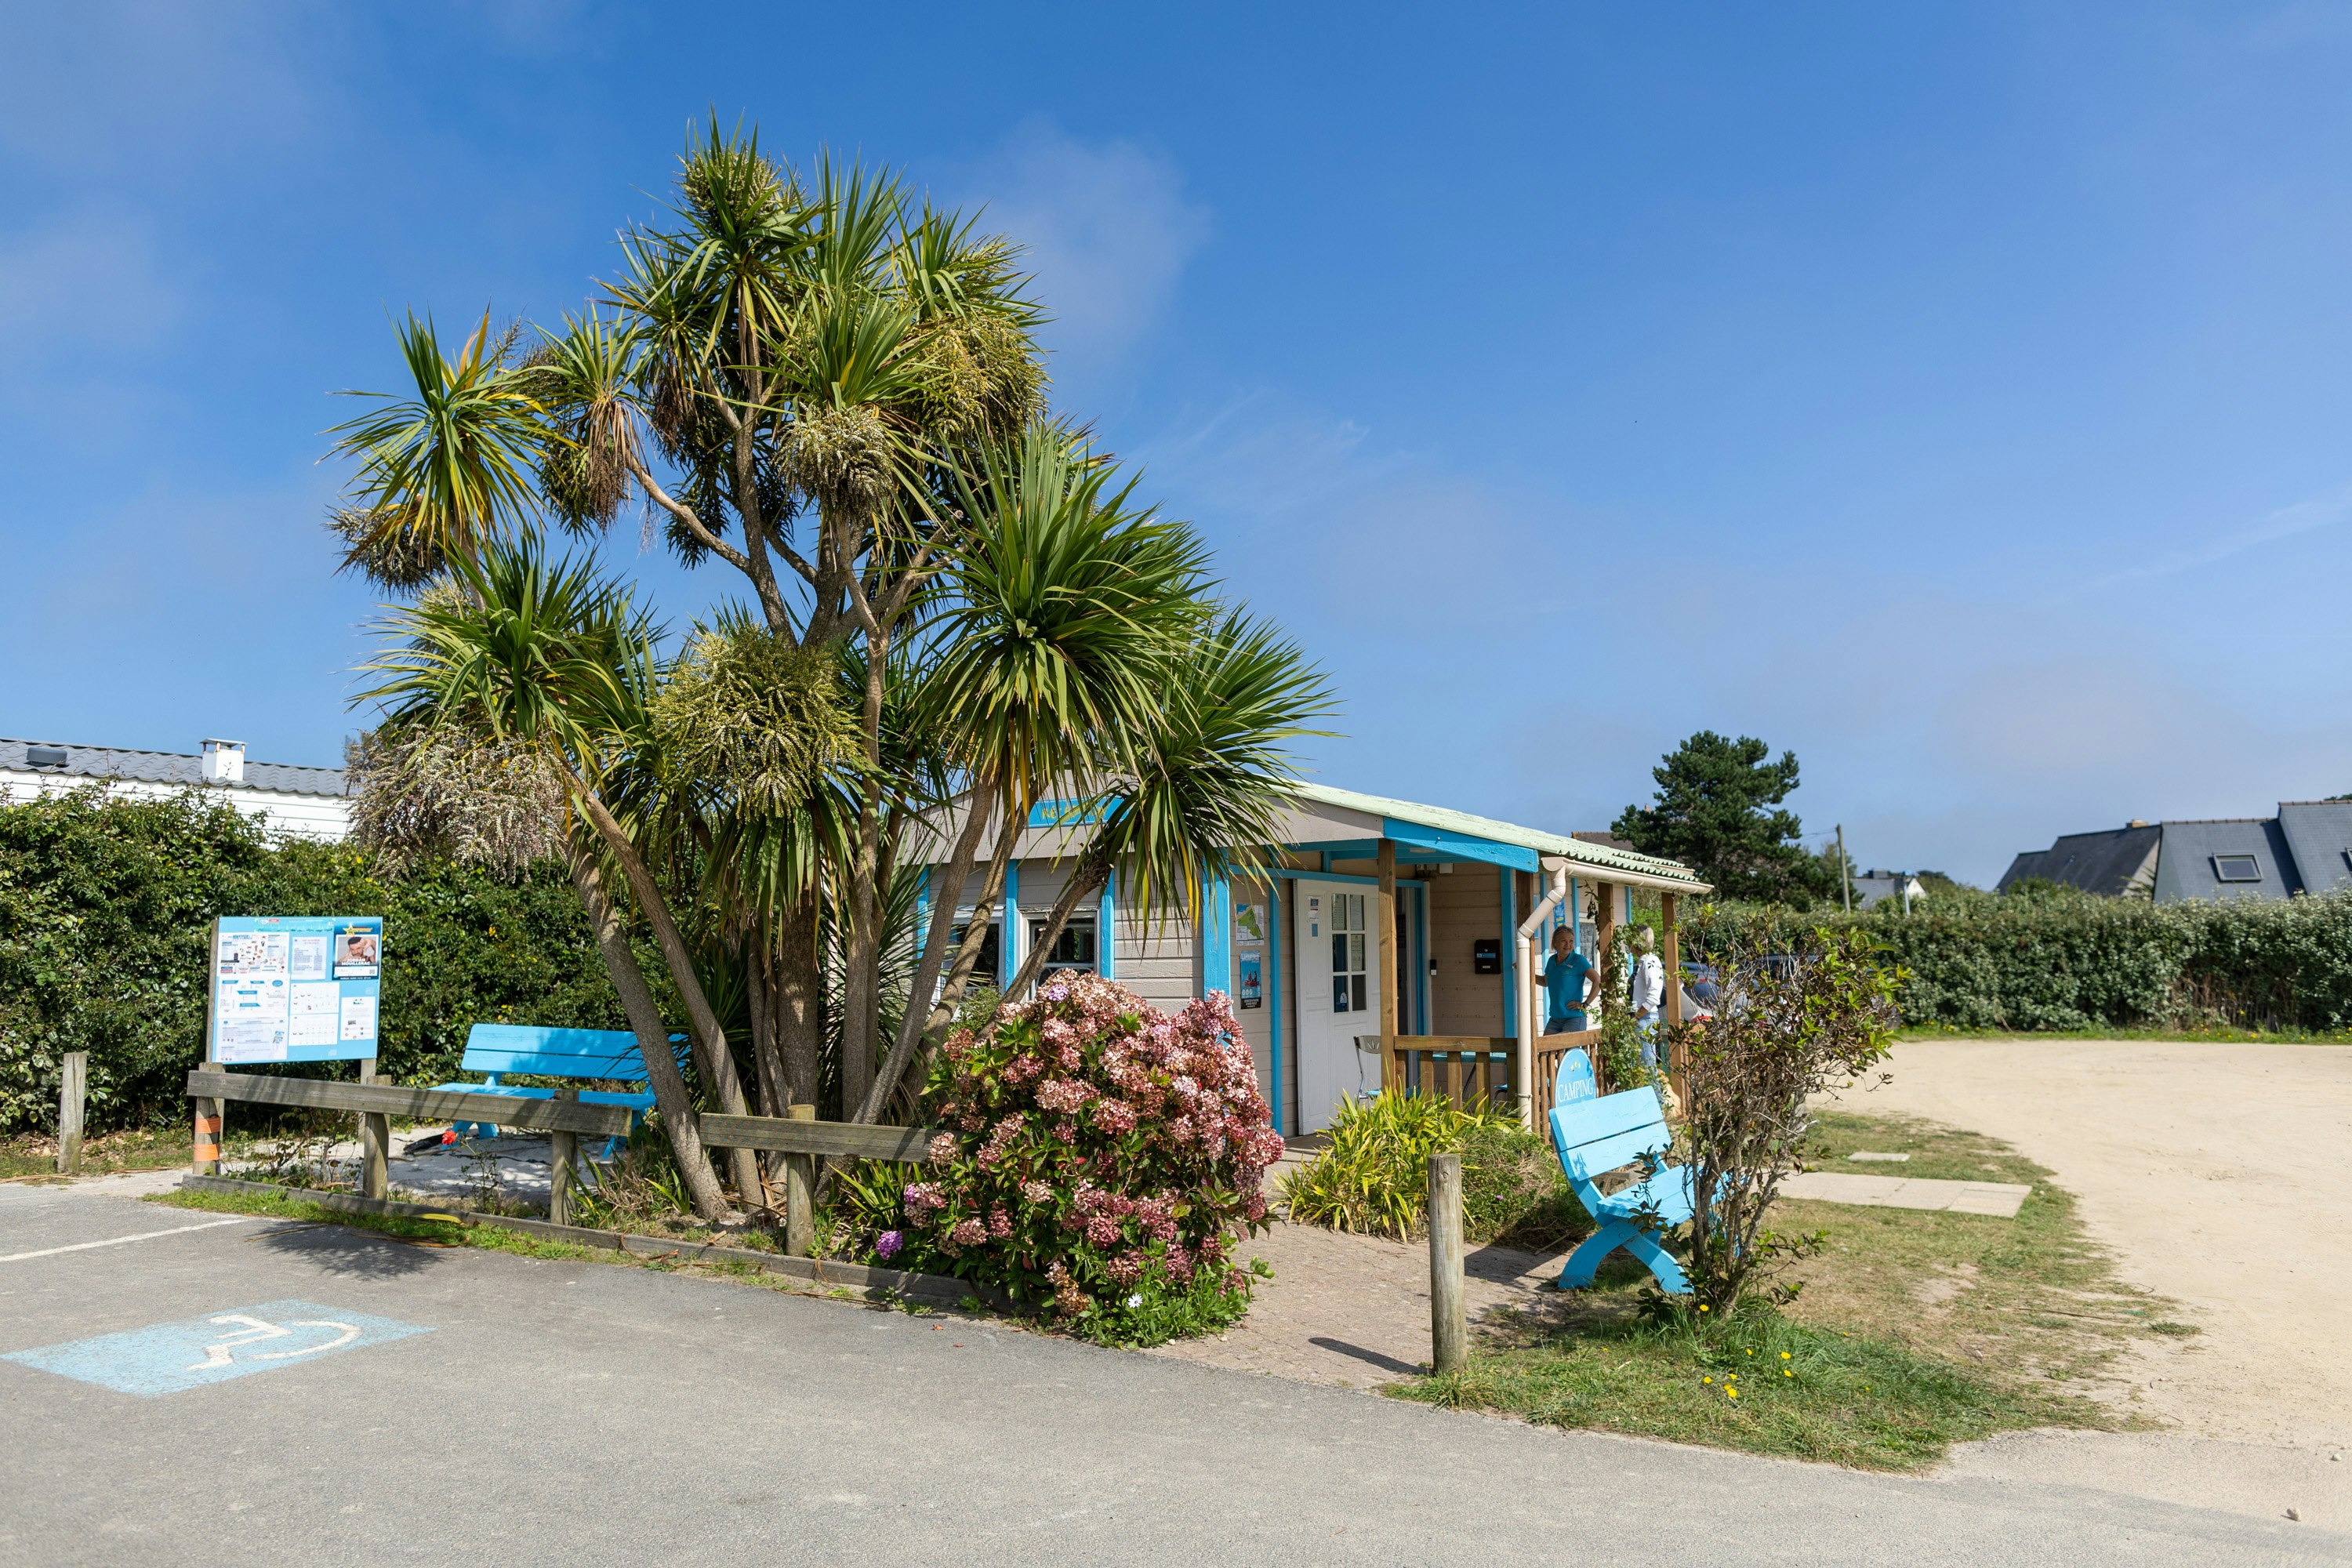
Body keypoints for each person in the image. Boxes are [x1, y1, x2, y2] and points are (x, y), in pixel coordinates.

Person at [1541, 926, 1593, 1034]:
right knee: (1544, 1050)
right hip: (1555, 1018)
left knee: (1567, 1051)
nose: (1568, 945)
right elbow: (1545, 982)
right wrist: (1525, 971)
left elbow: (1598, 981)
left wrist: (1585, 1005)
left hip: (1574, 1018)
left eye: (1571, 941)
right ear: (1555, 943)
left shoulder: (1579, 960)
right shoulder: (1551, 961)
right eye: (1563, 941)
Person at [1628, 926, 1667, 1065]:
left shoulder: (1650, 962)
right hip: (1642, 1018)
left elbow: (1654, 996)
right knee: (1642, 1067)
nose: (1627, 941)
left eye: (1630, 937)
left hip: (1645, 1019)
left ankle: (1656, 1089)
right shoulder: (1642, 961)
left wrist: (1637, 1016)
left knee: (1648, 1067)